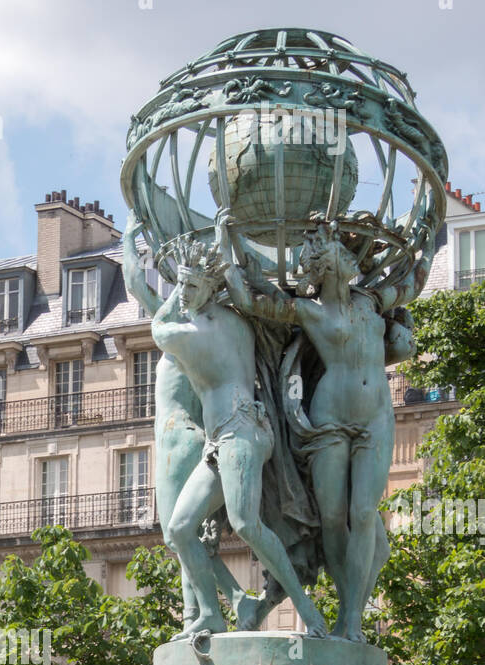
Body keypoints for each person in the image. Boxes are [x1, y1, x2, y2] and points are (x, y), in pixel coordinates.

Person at [218, 211, 431, 642]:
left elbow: (412, 284)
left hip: (375, 417)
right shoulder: (308, 311)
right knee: (333, 518)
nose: (343, 260)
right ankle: (342, 612)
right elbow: (248, 301)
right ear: (324, 265)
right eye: (331, 252)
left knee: (364, 514)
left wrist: (427, 230)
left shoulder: (370, 302)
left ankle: (350, 618)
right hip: (328, 420)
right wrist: (226, 246)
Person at [144, 228, 327, 639]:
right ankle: (210, 614)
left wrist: (175, 293)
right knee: (178, 529)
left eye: (193, 286)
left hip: (240, 431)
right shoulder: (235, 321)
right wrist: (193, 278)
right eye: (181, 286)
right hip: (223, 439)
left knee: (245, 525)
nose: (185, 293)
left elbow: (159, 328)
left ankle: (308, 613)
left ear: (211, 286)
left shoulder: (194, 334)